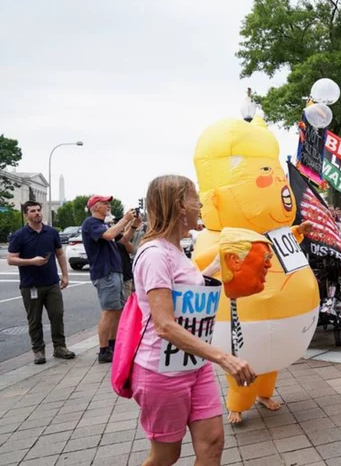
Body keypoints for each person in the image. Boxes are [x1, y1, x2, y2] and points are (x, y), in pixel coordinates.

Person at [132, 175, 256, 465]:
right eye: (194, 197)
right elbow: (164, 325)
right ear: (179, 205)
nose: (200, 203)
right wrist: (223, 358)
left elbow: (190, 289)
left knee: (213, 441)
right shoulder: (154, 254)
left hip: (195, 366)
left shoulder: (176, 251)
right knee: (166, 456)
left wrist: (220, 263)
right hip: (161, 373)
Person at [7, 201, 76, 364]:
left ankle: (60, 347)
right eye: (33, 211)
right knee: (35, 320)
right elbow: (11, 259)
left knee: (57, 315)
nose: (37, 213)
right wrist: (31, 261)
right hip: (31, 285)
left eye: (39, 210)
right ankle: (38, 351)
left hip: (52, 283)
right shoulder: (19, 235)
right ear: (26, 214)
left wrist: (65, 275)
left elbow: (59, 254)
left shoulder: (51, 232)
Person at [81, 195, 138, 363]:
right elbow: (108, 235)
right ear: (95, 207)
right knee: (109, 311)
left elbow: (124, 240)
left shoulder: (103, 225)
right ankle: (104, 349)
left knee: (116, 310)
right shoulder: (91, 223)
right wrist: (124, 219)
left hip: (115, 272)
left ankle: (112, 346)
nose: (108, 206)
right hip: (105, 273)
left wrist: (133, 226)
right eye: (105, 203)